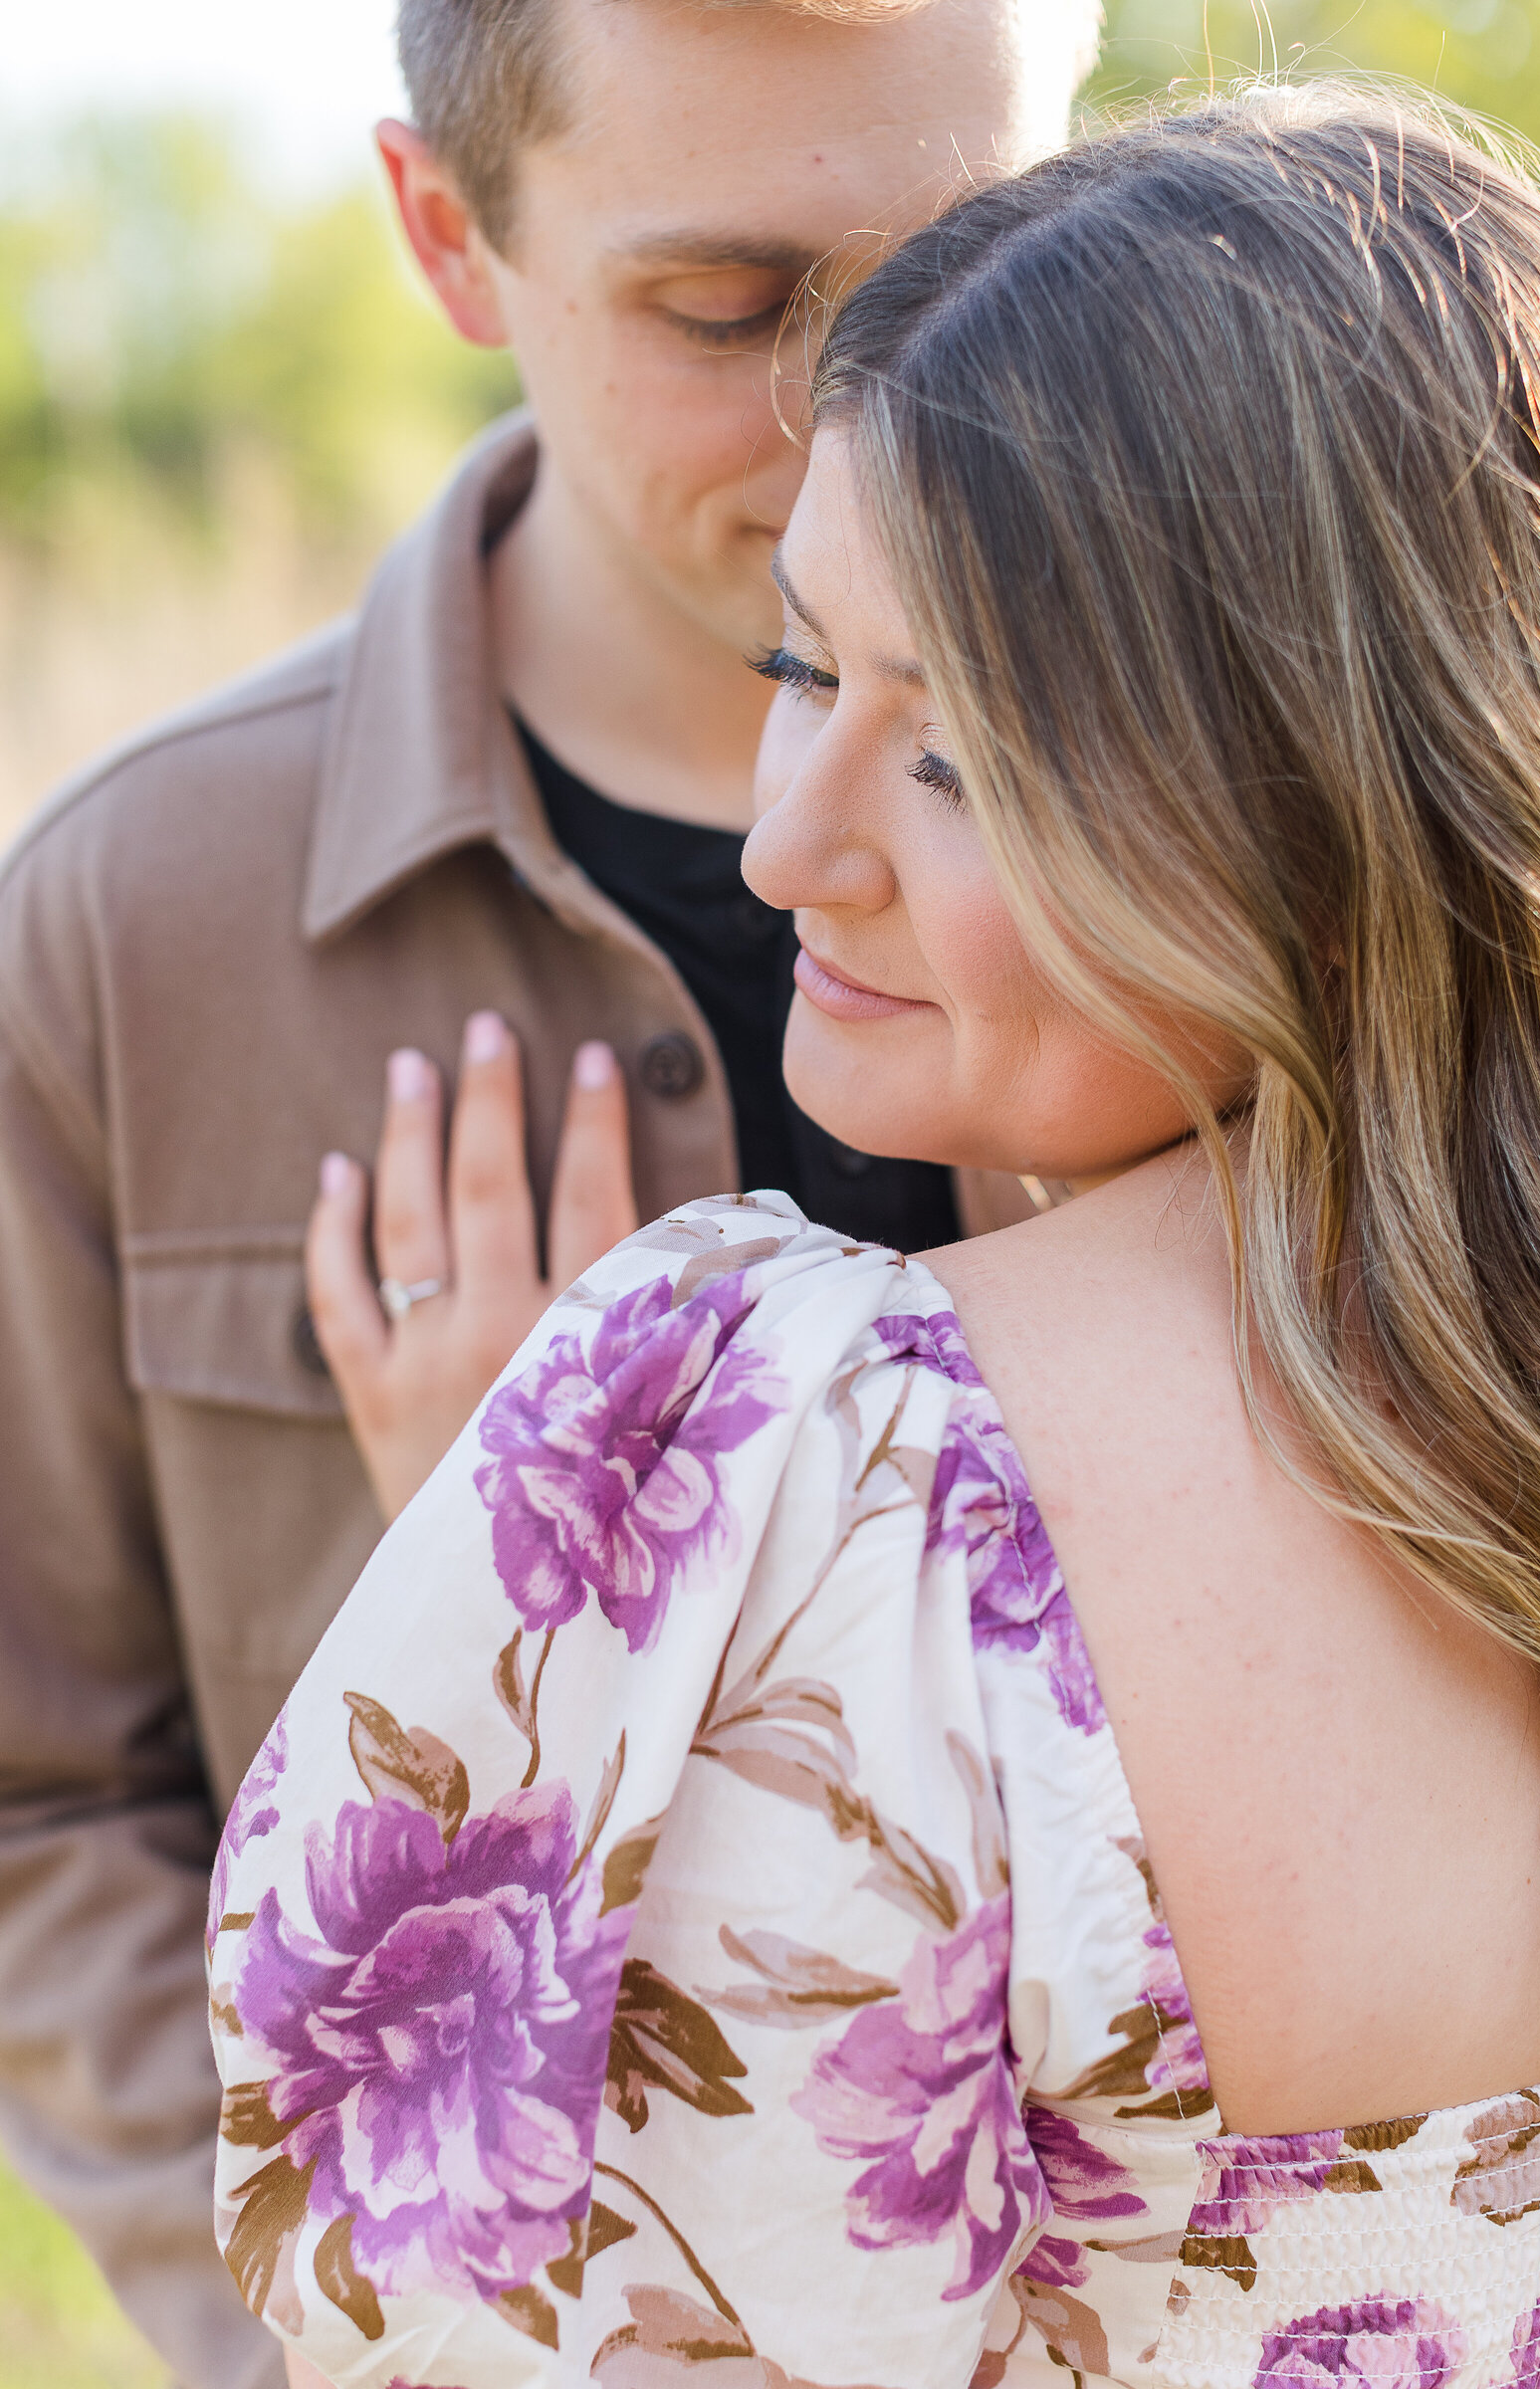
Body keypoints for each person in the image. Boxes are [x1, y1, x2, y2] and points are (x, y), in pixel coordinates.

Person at [211, 83, 1540, 2389]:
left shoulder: (824, 1485)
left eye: (951, 756)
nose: (787, 847)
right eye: (798, 671)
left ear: (1318, 791)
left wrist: (589, 1610)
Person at [0, 5, 1093, 2381]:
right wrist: (338, 2326)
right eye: (724, 310)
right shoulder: (114, 932)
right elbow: (43, 1801)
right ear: (444, 235)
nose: (858, 408)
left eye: (966, 252)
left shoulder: (1306, 886)